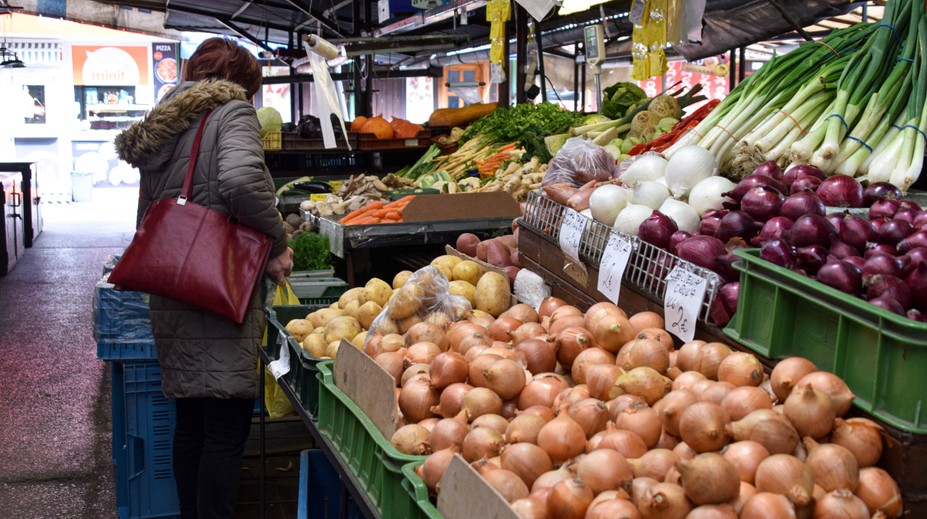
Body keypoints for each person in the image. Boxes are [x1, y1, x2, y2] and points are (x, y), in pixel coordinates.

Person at [114, 37, 293, 519]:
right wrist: (276, 243)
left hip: (175, 283)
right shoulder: (231, 113)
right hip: (219, 283)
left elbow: (145, 217)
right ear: (242, 82)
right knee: (226, 425)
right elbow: (240, 182)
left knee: (190, 419)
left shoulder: (164, 121)